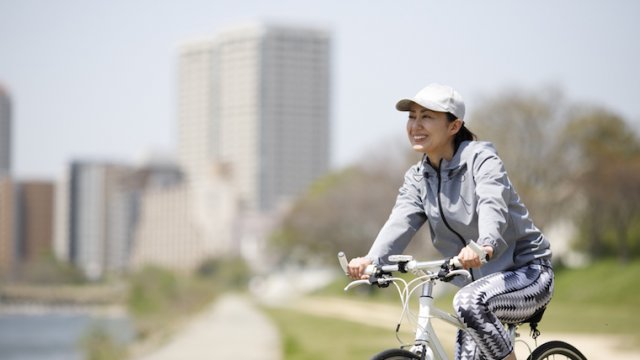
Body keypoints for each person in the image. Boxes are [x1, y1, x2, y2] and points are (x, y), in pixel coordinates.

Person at [347, 83, 554, 360]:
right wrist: (371, 260)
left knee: (468, 302)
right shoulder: (418, 178)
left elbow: (493, 203)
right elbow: (400, 222)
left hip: (528, 273)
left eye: (427, 117)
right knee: (466, 333)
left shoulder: (482, 160)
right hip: (476, 283)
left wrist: (485, 244)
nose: (416, 125)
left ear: (454, 126)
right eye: (412, 116)